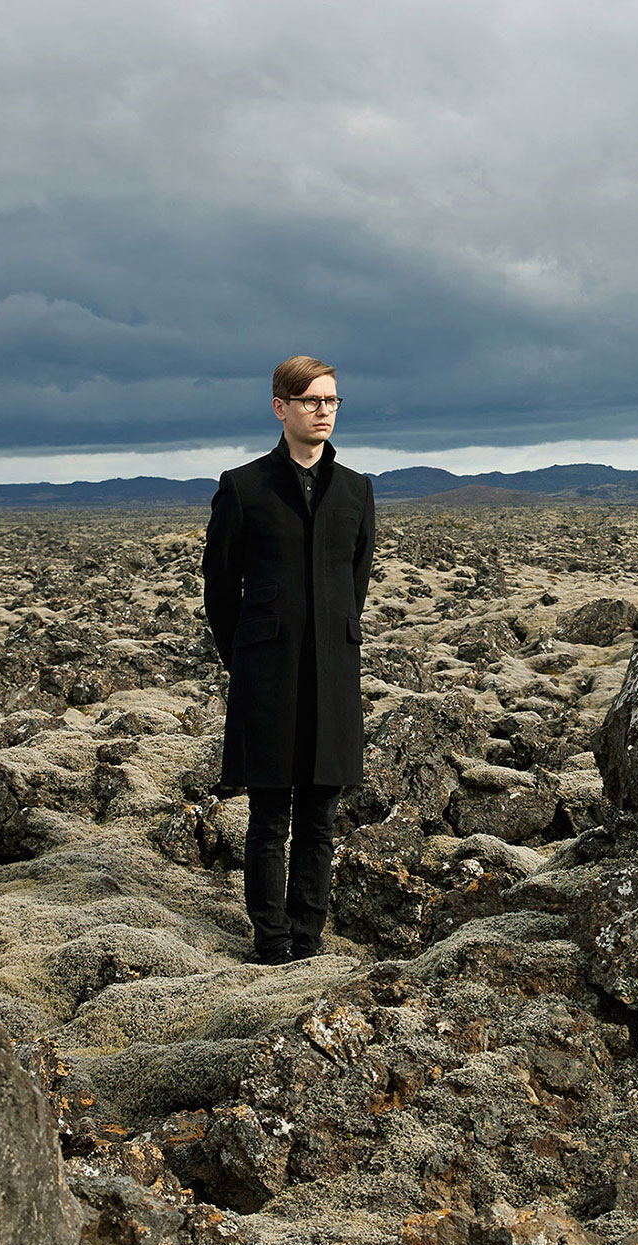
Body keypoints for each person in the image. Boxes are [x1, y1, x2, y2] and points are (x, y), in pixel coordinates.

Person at [202, 356, 375, 963]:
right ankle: (271, 941)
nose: (324, 411)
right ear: (281, 407)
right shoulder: (243, 486)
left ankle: (309, 936)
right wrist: (247, 659)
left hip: (333, 674)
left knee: (321, 815)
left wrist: (332, 641)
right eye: (311, 401)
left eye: (332, 400)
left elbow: (355, 584)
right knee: (270, 814)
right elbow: (220, 588)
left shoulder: (356, 490)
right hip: (268, 676)